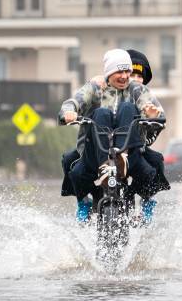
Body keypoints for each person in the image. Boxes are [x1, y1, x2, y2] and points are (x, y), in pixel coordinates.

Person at [59, 48, 169, 222]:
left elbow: (153, 107)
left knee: (152, 167)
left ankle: (128, 170)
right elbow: (74, 101)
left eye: (128, 71)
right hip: (96, 152)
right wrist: (69, 112)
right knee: (75, 169)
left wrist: (153, 115)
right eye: (120, 71)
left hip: (129, 153)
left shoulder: (137, 90)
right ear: (109, 73)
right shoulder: (95, 88)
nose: (125, 76)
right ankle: (85, 200)